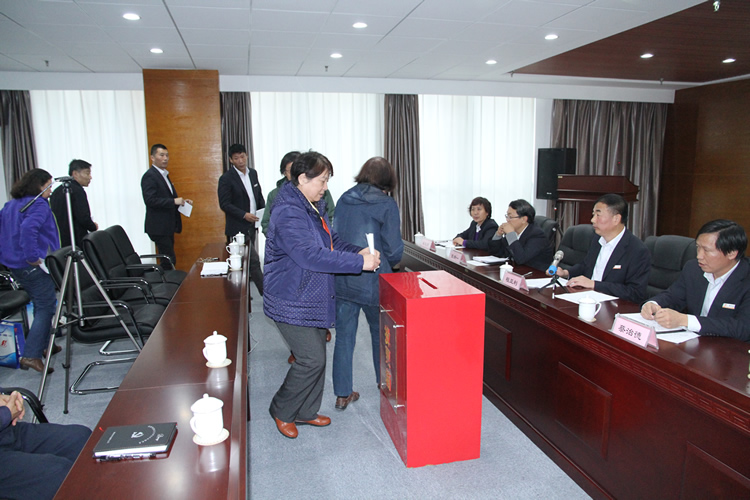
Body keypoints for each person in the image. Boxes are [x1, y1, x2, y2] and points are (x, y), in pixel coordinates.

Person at [264, 151, 380, 439]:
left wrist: (357, 251)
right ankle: (282, 409)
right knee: (310, 359)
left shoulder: (312, 205)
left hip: (312, 294)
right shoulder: (288, 211)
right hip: (291, 297)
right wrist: (359, 263)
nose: (326, 187)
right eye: (322, 181)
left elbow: (331, 241)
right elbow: (309, 255)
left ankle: (305, 411)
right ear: (303, 179)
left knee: (317, 355)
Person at [333, 157, 403, 410]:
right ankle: (383, 383)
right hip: (374, 278)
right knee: (380, 334)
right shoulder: (386, 203)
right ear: (388, 179)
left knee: (344, 337)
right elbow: (393, 248)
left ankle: (342, 393)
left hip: (345, 273)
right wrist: (392, 263)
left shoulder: (344, 198)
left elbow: (335, 236)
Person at [641, 219, 750, 341]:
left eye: (707, 250)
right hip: (695, 343)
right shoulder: (693, 268)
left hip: (732, 348)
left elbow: (743, 328)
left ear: (731, 253)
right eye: (698, 247)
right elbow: (673, 296)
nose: (699, 256)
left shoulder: (746, 278)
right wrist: (653, 304)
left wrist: (685, 320)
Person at [0, 169, 61, 373]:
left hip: (13, 264)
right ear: (39, 186)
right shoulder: (38, 204)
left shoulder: (11, 205)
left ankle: (44, 345)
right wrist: (32, 256)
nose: (50, 190)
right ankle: (31, 355)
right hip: (31, 264)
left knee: (39, 302)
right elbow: (28, 229)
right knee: (46, 306)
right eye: (48, 185)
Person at [555, 193, 650, 303]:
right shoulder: (597, 239)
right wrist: (566, 273)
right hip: (587, 299)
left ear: (616, 219)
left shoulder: (637, 250)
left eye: (598, 215)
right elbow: (586, 266)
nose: (593, 220)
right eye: (593, 214)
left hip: (613, 306)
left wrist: (595, 285)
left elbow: (635, 292)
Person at [0, 388, 91, 500]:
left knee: (82, 439)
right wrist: (6, 414)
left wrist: (6, 398)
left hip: (6, 431)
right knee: (58, 474)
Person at [217, 143, 265, 294]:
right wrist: (244, 215)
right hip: (237, 227)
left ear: (247, 156)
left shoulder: (253, 173)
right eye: (236, 158)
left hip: (252, 225)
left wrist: (262, 213)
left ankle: (244, 296)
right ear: (231, 160)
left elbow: (258, 196)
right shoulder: (226, 178)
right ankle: (266, 294)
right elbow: (224, 204)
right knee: (252, 261)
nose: (240, 161)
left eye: (242, 157)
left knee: (249, 262)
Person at [140, 144, 192, 269]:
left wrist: (182, 202)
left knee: (169, 259)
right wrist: (173, 201)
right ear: (152, 157)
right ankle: (168, 281)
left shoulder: (164, 175)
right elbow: (150, 200)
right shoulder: (150, 176)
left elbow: (165, 197)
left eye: (167, 155)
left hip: (167, 225)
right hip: (158, 226)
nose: (165, 158)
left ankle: (168, 279)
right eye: (161, 155)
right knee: (168, 260)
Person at [261, 151, 336, 236]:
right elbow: (266, 223)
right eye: (291, 170)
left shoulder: (321, 191)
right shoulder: (276, 195)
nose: (295, 173)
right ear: (284, 173)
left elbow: (331, 215)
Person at [488, 199, 553, 271]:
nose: (507, 220)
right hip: (518, 271)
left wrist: (511, 234)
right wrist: (498, 234)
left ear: (523, 219)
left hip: (535, 274)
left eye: (510, 217)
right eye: (507, 216)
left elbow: (521, 259)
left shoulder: (537, 235)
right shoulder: (514, 231)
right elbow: (497, 253)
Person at [49, 159, 98, 248]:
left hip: (59, 240)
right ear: (75, 174)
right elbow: (83, 216)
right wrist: (93, 227)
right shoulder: (77, 191)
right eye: (87, 173)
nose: (90, 177)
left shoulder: (57, 191)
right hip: (75, 239)